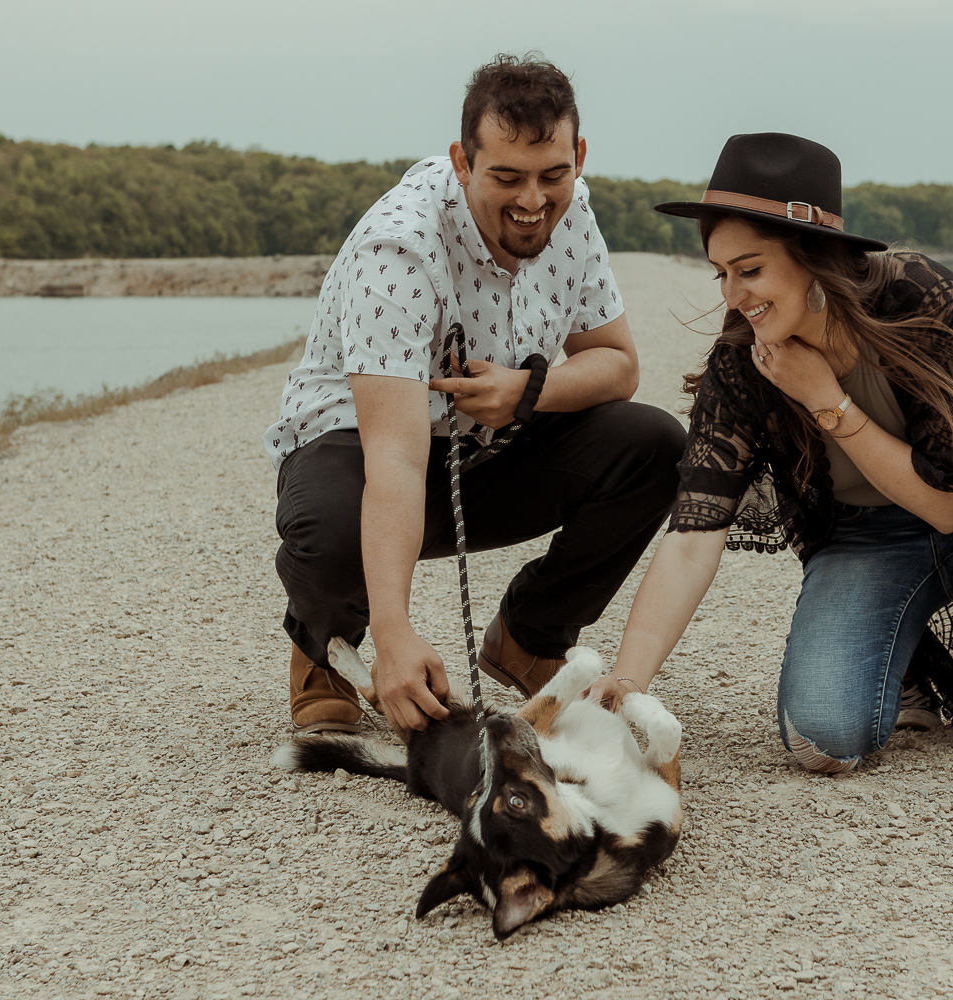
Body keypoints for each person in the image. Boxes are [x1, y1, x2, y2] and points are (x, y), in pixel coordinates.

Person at [584, 133, 953, 771]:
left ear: (816, 259)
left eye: (751, 270)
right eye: (723, 273)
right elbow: (691, 535)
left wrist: (829, 403)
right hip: (866, 543)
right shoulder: (746, 359)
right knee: (823, 743)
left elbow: (950, 509)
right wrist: (630, 681)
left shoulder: (929, 304)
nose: (732, 297)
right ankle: (905, 658)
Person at [265, 55, 685, 734]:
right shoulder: (396, 252)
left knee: (656, 445)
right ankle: (323, 654)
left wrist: (529, 390)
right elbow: (395, 461)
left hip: (489, 444)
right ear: (463, 161)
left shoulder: (571, 210)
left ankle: (528, 636)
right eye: (507, 178)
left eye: (553, 174)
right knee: (333, 532)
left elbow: (618, 365)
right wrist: (397, 634)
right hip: (361, 448)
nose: (532, 201)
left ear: (578, 156)